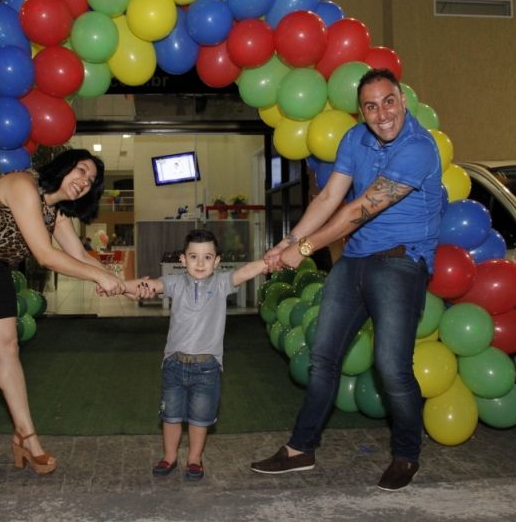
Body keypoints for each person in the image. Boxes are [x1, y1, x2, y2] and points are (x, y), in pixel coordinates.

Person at [250, 68, 445, 491]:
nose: (382, 114)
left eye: (388, 101)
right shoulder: (354, 139)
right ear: (361, 111)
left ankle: (407, 454)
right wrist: (289, 239)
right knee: (323, 359)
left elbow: (360, 210)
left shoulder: (419, 148)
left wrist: (301, 251)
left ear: (403, 100)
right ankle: (301, 449)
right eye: (371, 106)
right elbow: (329, 197)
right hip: (355, 261)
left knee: (392, 368)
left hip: (401, 263)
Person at [0, 147, 129, 499]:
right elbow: (46, 256)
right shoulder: (22, 184)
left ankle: (25, 435)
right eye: (80, 170)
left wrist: (118, 280)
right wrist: (102, 280)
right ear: (63, 168)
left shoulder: (57, 211)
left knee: (8, 346)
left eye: (91, 180)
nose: (84, 181)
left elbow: (78, 255)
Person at [124, 229, 267, 481]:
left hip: (207, 368)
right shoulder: (175, 282)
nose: (200, 263)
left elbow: (245, 272)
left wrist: (269, 261)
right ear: (182, 259)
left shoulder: (222, 283)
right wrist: (119, 287)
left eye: (207, 257)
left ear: (217, 261)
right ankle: (169, 457)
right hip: (174, 365)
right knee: (171, 416)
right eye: (193, 256)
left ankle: (194, 459)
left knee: (200, 419)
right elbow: (151, 286)